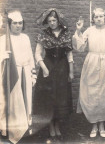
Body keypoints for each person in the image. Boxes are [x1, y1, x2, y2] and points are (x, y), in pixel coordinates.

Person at [72, 8, 105, 138]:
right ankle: (93, 125)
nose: (99, 19)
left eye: (101, 16)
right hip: (92, 62)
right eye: (96, 17)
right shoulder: (89, 31)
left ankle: (102, 125)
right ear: (93, 19)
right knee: (92, 92)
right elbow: (80, 48)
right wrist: (78, 30)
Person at [34, 8, 74, 140]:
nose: (52, 23)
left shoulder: (66, 33)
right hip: (48, 67)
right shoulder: (43, 34)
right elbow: (37, 54)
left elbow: (69, 54)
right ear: (47, 21)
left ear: (58, 20)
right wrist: (44, 69)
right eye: (49, 21)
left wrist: (71, 71)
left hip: (63, 68)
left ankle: (58, 126)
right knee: (50, 98)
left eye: (54, 20)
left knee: (61, 97)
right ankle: (51, 126)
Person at [0, 10, 36, 144]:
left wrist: (33, 75)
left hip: (25, 73)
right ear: (9, 24)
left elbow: (31, 57)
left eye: (20, 23)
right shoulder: (4, 39)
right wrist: (4, 57)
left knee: (26, 101)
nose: (18, 26)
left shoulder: (25, 38)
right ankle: (8, 130)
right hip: (10, 76)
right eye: (15, 23)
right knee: (12, 103)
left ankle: (24, 128)